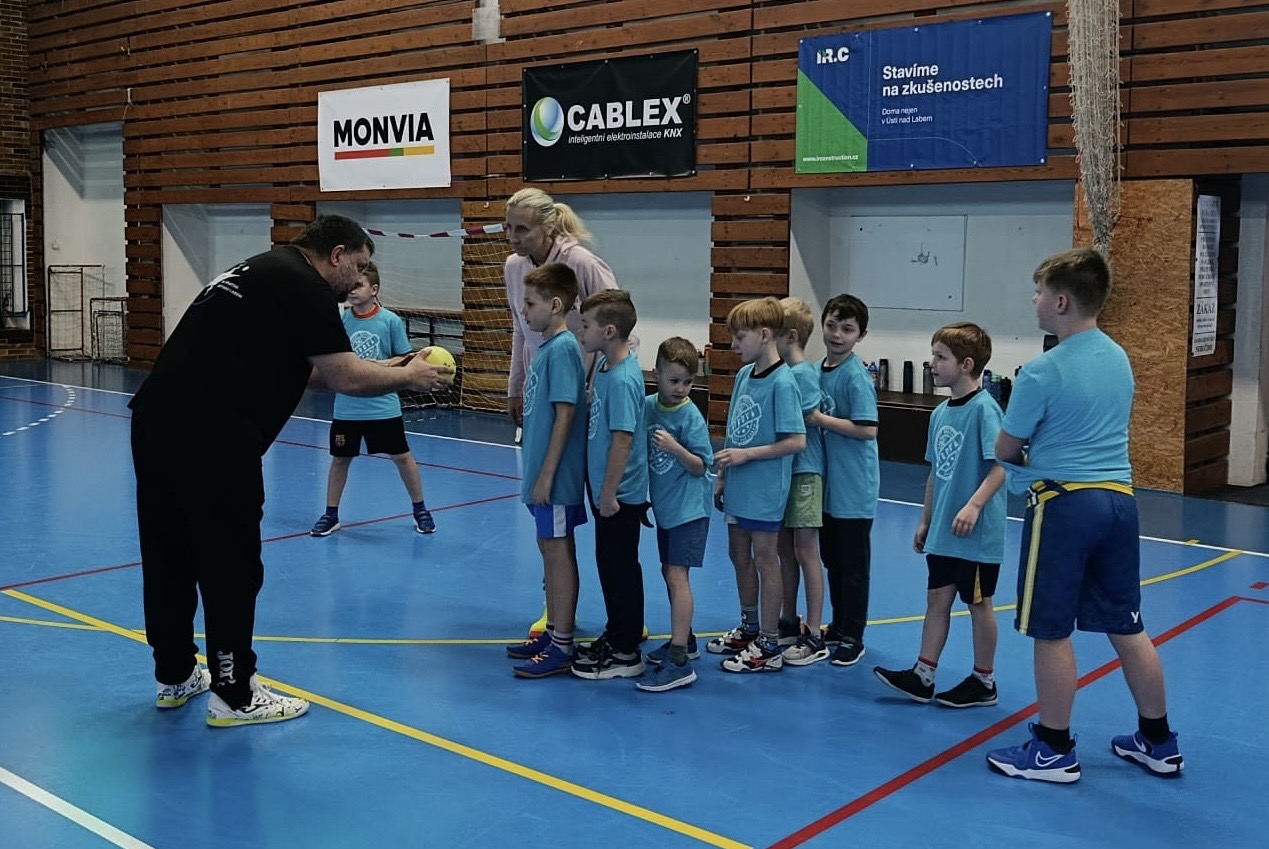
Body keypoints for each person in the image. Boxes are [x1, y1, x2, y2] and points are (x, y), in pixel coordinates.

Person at [130, 214, 452, 727]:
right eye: (359, 265)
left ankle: (174, 674)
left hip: (156, 422)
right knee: (231, 563)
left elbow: (314, 371)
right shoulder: (306, 285)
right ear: (337, 254)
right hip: (215, 435)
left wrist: (397, 366)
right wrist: (409, 378)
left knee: (169, 553)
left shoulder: (264, 270)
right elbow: (344, 377)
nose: (358, 278)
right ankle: (235, 693)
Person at [986, 248, 1183, 783]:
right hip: (1120, 504)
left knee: (1050, 630)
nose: (1034, 300)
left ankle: (1052, 749)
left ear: (1061, 302)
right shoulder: (1119, 358)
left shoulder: (1041, 371)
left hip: (1065, 505)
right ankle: (1159, 740)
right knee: (1127, 624)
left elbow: (1005, 450)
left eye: (1039, 292)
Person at [502, 187, 617, 638]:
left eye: (522, 229)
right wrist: (516, 386)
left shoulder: (582, 263)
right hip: (544, 398)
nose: (513, 237)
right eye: (509, 227)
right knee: (551, 525)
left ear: (548, 227)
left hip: (583, 400)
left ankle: (622, 616)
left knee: (603, 517)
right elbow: (519, 329)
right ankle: (556, 612)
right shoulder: (515, 267)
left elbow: (619, 327)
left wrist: (591, 384)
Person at [873, 322, 1006, 707]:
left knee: (978, 603)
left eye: (940, 357)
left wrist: (974, 505)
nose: (932, 363)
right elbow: (935, 472)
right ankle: (924, 675)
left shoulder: (984, 410)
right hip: (945, 531)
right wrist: (926, 520)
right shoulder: (940, 413)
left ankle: (984, 681)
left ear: (966, 364)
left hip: (976, 535)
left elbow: (1001, 466)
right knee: (936, 599)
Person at [708, 297, 806, 673]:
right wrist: (723, 475)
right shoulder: (742, 376)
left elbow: (796, 441)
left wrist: (747, 455)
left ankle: (768, 642)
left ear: (764, 335)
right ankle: (749, 627)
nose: (734, 344)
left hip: (765, 489)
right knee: (738, 554)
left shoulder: (783, 383)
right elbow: (735, 430)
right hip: (738, 485)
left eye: (740, 336)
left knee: (766, 559)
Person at [502, 263, 589, 679]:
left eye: (530, 304)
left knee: (558, 553)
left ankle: (562, 644)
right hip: (541, 473)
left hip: (554, 478)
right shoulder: (547, 347)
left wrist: (548, 475)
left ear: (555, 305)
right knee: (548, 549)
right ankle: (553, 631)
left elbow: (566, 414)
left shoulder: (564, 349)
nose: (524, 312)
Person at [310, 261, 435, 537]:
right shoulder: (341, 320)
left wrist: (375, 367)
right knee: (340, 459)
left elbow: (405, 358)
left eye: (359, 285)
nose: (352, 290)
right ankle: (331, 514)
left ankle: (421, 510)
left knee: (402, 457)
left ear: (374, 289)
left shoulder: (390, 321)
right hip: (347, 408)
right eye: (350, 286)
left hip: (382, 406)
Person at [571, 290, 649, 680]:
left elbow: (623, 439)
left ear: (610, 331)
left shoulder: (622, 379)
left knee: (620, 568)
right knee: (609, 564)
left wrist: (607, 492)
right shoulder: (604, 366)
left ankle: (626, 651)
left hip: (618, 494)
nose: (580, 332)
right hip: (605, 488)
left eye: (586, 325)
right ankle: (617, 631)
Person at [638, 338, 713, 692]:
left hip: (689, 509)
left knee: (677, 575)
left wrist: (675, 447)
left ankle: (680, 660)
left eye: (687, 382)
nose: (681, 388)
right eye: (674, 380)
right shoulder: (648, 406)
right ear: (657, 374)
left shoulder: (690, 416)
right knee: (668, 572)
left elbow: (701, 466)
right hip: (667, 509)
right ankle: (686, 639)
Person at [812, 294, 879, 667]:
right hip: (828, 487)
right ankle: (838, 626)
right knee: (833, 559)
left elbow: (868, 429)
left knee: (853, 565)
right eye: (832, 325)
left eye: (847, 329)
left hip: (854, 487)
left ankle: (854, 634)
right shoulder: (817, 371)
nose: (837, 334)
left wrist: (820, 419)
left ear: (860, 335)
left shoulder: (855, 376)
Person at [774, 297, 830, 666]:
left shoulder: (803, 375)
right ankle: (788, 620)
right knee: (785, 549)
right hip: (784, 470)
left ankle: (814, 630)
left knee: (806, 550)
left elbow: (807, 419)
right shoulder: (783, 374)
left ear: (791, 336)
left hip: (805, 471)